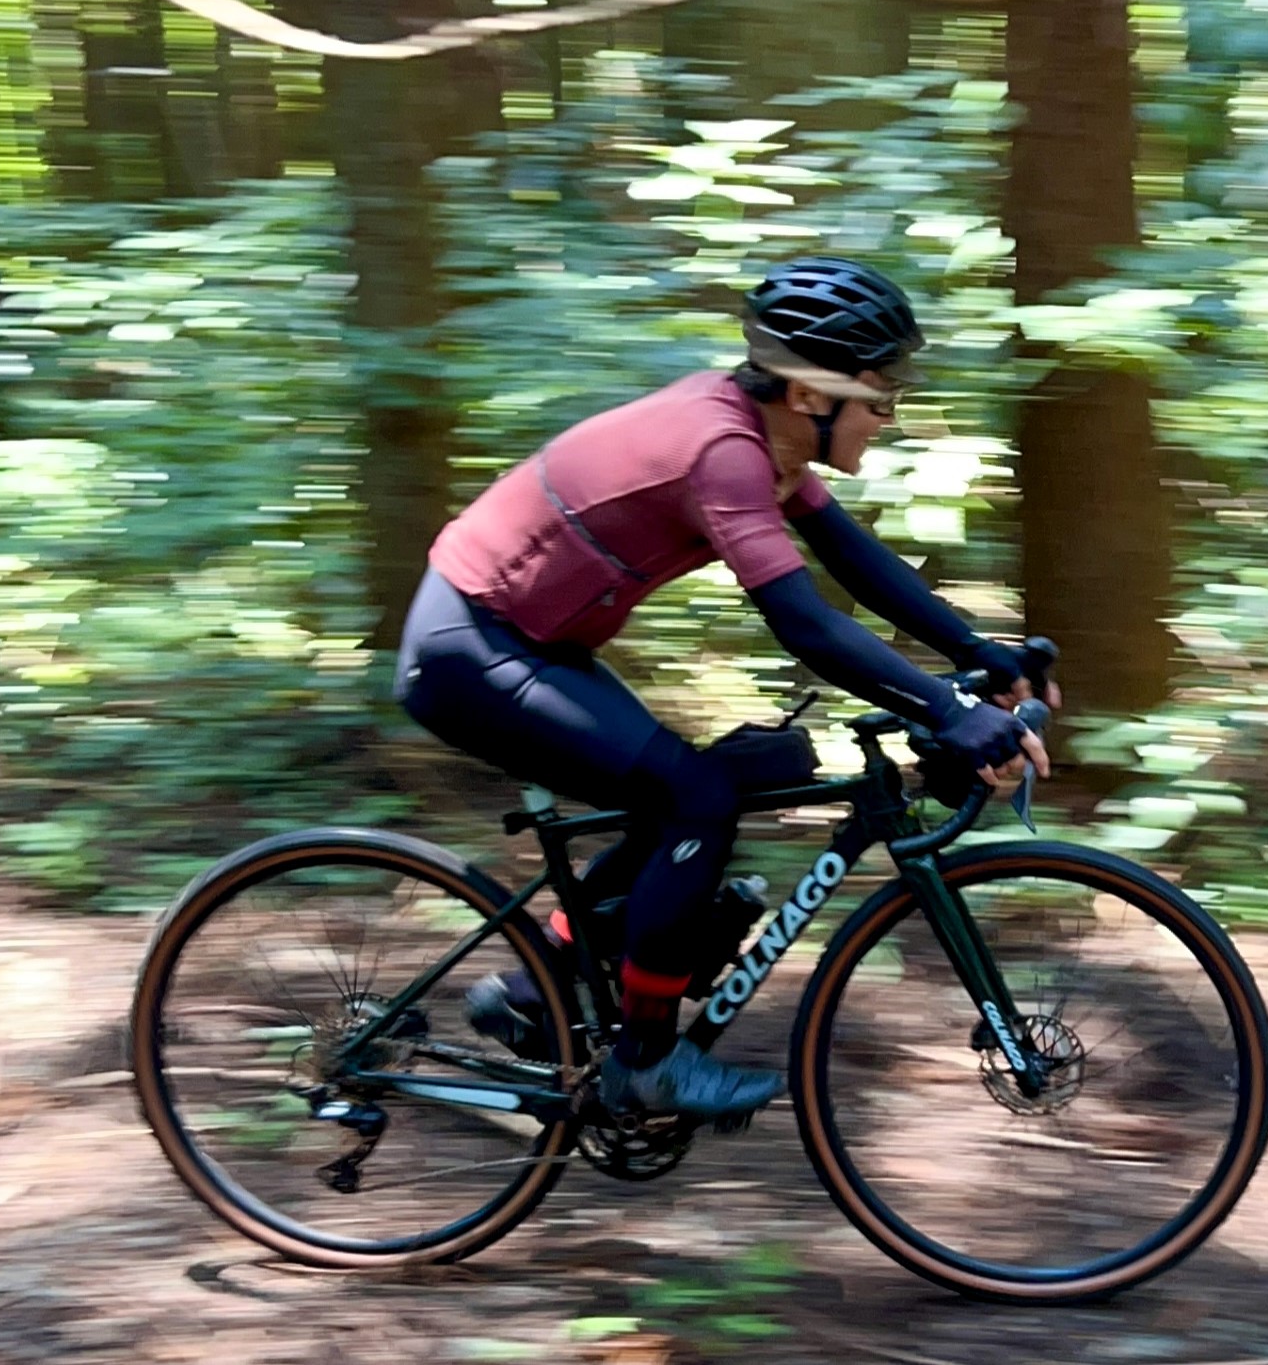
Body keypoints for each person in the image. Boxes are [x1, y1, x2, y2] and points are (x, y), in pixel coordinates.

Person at [394, 256, 1051, 1124]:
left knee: (743, 769)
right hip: (469, 647)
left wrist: (977, 652)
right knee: (694, 797)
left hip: (527, 636)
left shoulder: (762, 436)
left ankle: (535, 987)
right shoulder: (724, 450)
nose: (888, 416)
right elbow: (804, 623)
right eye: (879, 396)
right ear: (809, 395)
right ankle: (645, 1060)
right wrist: (944, 709)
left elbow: (854, 558)